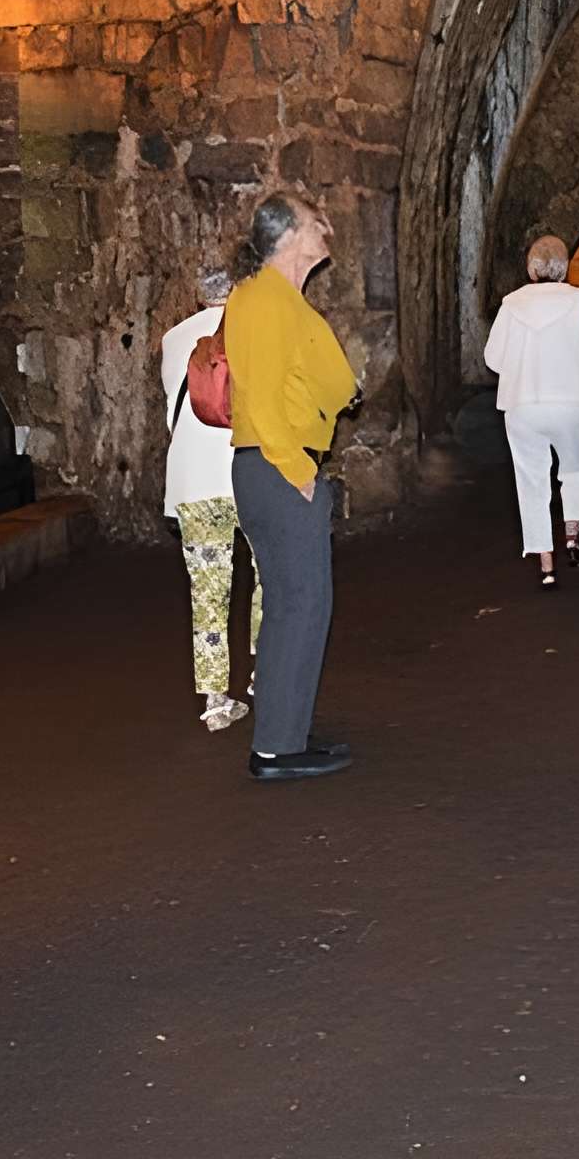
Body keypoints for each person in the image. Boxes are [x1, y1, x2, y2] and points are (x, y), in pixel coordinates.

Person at [221, 192, 358, 781]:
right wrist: (297, 470)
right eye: (313, 220)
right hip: (278, 467)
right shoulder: (265, 300)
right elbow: (259, 392)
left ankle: (286, 734)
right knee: (298, 605)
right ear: (287, 238)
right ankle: (276, 748)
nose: (325, 227)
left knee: (297, 606)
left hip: (278, 465)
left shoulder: (279, 299)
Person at [159, 267, 259, 730]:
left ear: (198, 296)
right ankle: (265, 673)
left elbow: (171, 415)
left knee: (207, 592)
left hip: (194, 482)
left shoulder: (173, 339)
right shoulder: (254, 329)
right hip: (250, 472)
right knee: (268, 577)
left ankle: (216, 701)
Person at [484, 233, 579, 589]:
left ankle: (545, 561)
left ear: (532, 269)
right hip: (572, 401)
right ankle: (572, 533)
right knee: (575, 471)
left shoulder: (512, 304)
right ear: (564, 269)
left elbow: (493, 358)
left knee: (531, 480)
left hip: (523, 403)